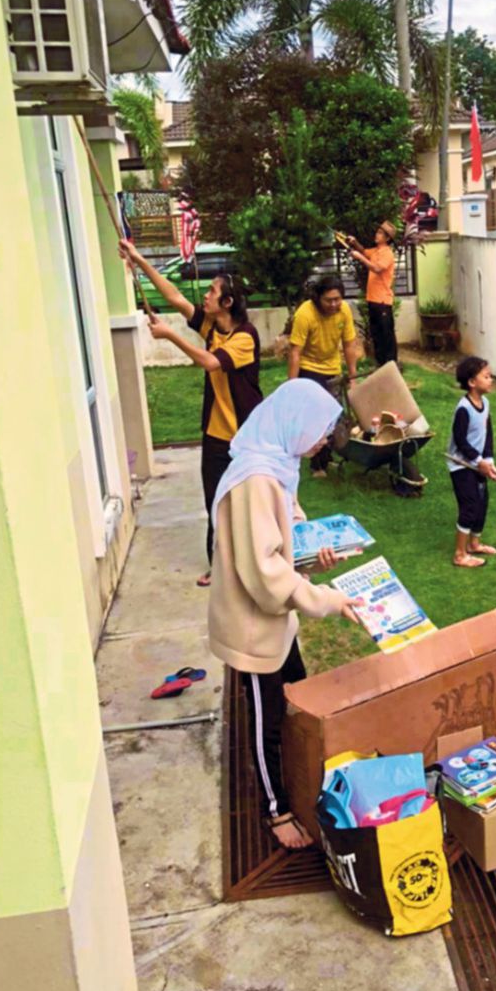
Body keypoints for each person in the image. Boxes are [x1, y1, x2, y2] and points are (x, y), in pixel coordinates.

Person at [208, 380, 361, 850]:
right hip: (253, 627)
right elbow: (265, 571)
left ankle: (297, 771)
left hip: (276, 622)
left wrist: (317, 552)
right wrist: (328, 599)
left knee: (294, 691)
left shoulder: (278, 462)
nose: (321, 441)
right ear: (294, 421)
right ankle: (274, 811)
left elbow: (288, 534)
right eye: (319, 430)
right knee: (265, 715)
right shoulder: (255, 478)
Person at [119, 241, 262, 586]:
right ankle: (221, 566)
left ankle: (253, 564)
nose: (205, 296)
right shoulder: (213, 327)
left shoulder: (245, 337)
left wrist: (170, 337)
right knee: (214, 503)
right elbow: (175, 299)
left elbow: (212, 362)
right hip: (215, 434)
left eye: (212, 292)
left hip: (244, 436)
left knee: (245, 505)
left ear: (227, 303)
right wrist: (139, 260)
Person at [287, 276, 359, 477]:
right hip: (309, 368)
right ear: (318, 298)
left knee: (334, 417)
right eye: (329, 300)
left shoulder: (343, 310)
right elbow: (295, 352)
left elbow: (349, 344)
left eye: (337, 299)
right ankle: (316, 466)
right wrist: (291, 386)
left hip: (332, 367)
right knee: (316, 419)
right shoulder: (305, 314)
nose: (334, 304)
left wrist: (353, 376)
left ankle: (326, 459)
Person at [447, 357, 496, 568]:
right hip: (461, 465)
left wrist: (488, 460)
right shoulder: (464, 409)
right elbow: (460, 441)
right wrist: (479, 462)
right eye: (486, 377)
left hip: (477, 463)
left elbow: (487, 435)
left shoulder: (485, 404)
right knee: (469, 505)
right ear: (472, 382)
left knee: (482, 502)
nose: (491, 380)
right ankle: (459, 554)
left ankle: (474, 544)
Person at [348, 222, 397, 367]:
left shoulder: (387, 253)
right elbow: (363, 251)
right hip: (373, 300)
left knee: (386, 336)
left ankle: (392, 366)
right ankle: (381, 365)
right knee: (377, 336)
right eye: (377, 232)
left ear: (387, 238)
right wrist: (354, 242)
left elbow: (376, 268)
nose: (377, 235)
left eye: (380, 233)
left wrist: (359, 258)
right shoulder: (376, 251)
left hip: (383, 301)